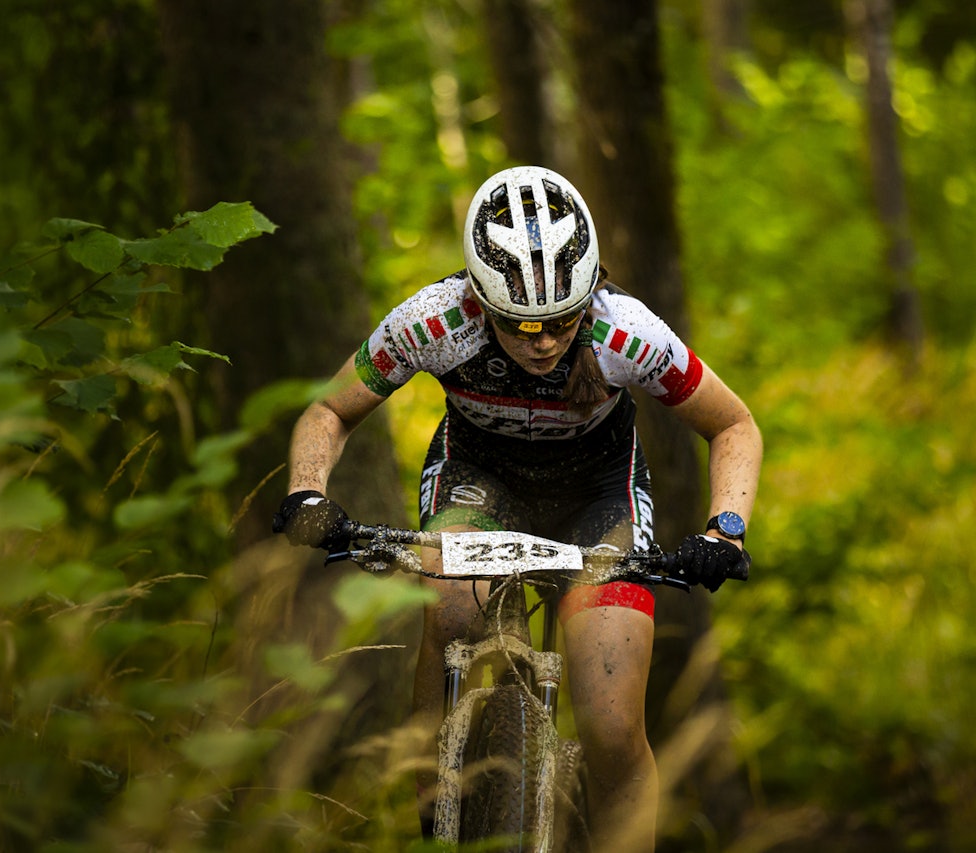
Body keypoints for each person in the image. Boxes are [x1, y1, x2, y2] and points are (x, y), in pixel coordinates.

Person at [273, 166, 761, 852]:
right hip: (480, 481)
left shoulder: (627, 334)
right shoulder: (433, 320)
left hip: (598, 495)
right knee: (451, 611)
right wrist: (307, 491)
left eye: (562, 320)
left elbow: (734, 424)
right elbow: (329, 408)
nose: (543, 341)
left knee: (614, 722)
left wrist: (726, 529)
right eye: (521, 323)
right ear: (479, 298)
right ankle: (431, 805)